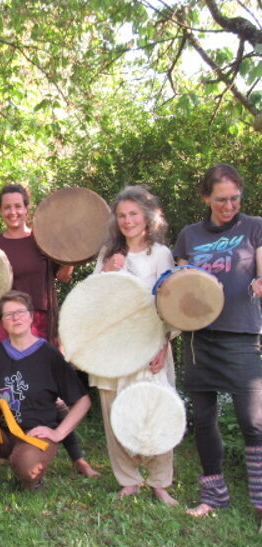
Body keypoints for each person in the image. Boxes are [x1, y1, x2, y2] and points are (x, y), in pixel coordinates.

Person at [0, 183, 99, 478]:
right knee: (4, 388)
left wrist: (70, 253)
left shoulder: (43, 240)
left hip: (40, 321)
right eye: (7, 207)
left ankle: (77, 456)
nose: (13, 212)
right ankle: (2, 449)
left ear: (27, 208)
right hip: (4, 323)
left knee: (53, 392)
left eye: (18, 206)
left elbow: (63, 275)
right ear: (0, 211)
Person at [174, 164, 262, 522]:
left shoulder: (254, 227)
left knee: (253, 421)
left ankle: (261, 500)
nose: (229, 206)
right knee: (204, 418)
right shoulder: (190, 235)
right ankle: (214, 496)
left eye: (235, 198)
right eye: (221, 199)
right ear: (206, 198)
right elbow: (178, 284)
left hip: (240, 334)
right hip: (199, 338)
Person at [0, 291, 92, 499]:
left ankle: (31, 475)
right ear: (2, 322)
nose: (16, 318)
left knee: (27, 466)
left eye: (20, 312)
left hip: (35, 435)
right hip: (0, 435)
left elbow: (83, 401)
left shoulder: (49, 355)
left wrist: (58, 433)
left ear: (31, 317)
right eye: (9, 315)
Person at [91, 185, 178, 505]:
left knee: (156, 411)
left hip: (149, 345)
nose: (127, 221)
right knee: (115, 411)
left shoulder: (161, 254)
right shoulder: (108, 252)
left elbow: (172, 302)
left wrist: (163, 344)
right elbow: (90, 298)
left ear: (148, 217)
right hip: (113, 346)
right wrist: (107, 270)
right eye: (122, 215)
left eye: (133, 214)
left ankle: (159, 482)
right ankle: (128, 480)